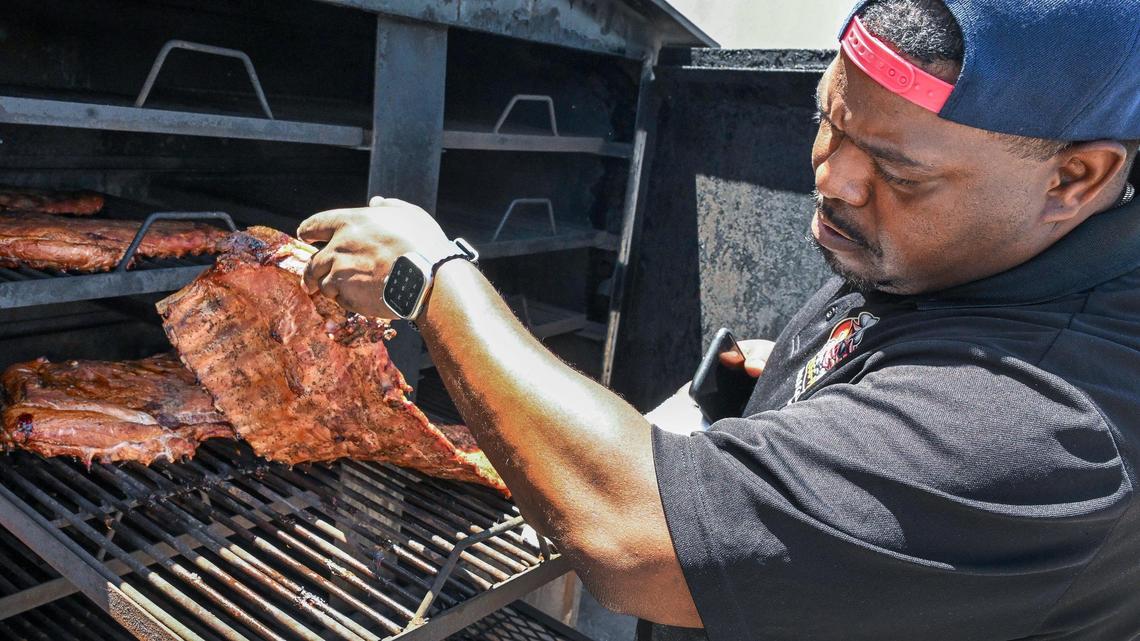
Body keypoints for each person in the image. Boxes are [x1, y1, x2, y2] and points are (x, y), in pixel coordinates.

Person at [297, 0, 1140, 638]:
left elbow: (634, 539)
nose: (833, 179)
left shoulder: (1046, 421)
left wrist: (428, 279)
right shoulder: (987, 253)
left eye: (897, 170)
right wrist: (808, 386)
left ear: (1077, 178)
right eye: (827, 119)